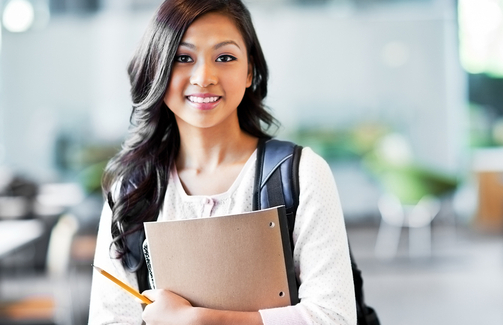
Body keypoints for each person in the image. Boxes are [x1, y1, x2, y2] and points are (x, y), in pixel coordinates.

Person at [88, 0, 356, 324]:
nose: (204, 77)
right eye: (183, 58)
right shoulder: (132, 190)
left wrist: (199, 321)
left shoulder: (301, 174)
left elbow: (334, 317)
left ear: (249, 72)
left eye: (225, 57)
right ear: (157, 67)